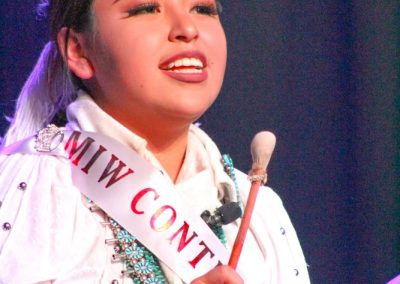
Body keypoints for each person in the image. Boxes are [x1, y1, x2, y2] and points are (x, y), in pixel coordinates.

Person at [0, 0, 310, 283]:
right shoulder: (40, 186)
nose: (188, 30)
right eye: (146, 8)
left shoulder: (257, 211)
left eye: (203, 9)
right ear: (78, 50)